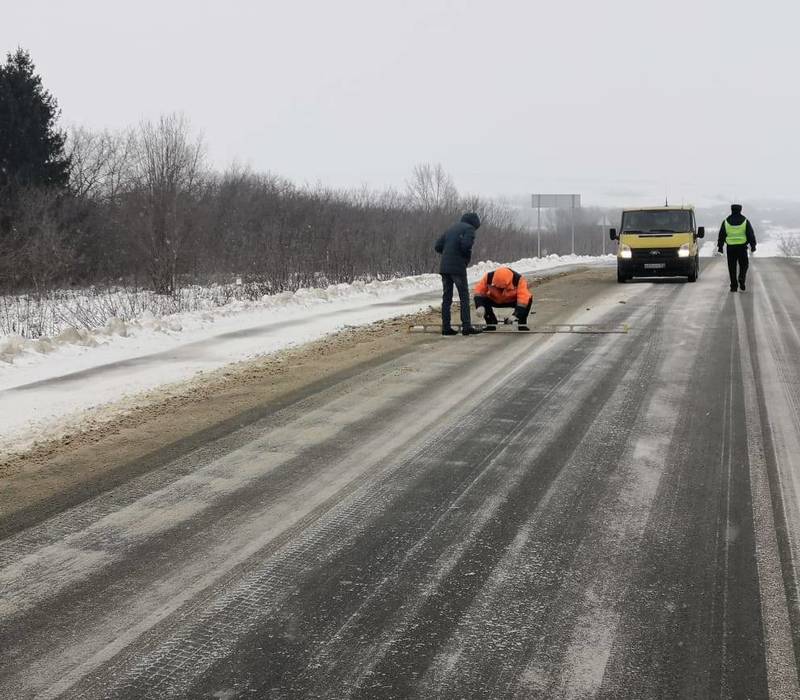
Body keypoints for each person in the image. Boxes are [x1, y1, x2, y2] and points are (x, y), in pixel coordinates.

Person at [434, 213, 483, 335]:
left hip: (444, 267)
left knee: (447, 297)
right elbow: (466, 246)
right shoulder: (469, 229)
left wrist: (449, 252)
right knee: (464, 296)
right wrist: (464, 257)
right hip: (457, 267)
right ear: (474, 223)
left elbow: (437, 246)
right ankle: (466, 326)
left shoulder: (451, 228)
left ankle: (446, 328)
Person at [473, 266, 533, 331]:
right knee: (483, 299)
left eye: (502, 288)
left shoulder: (519, 280)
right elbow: (478, 292)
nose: (500, 289)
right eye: (497, 287)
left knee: (528, 299)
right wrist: (480, 306)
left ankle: (522, 324)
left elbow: (523, 300)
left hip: (511, 300)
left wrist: (516, 315)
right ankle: (491, 323)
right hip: (494, 299)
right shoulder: (488, 277)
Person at [718, 203, 757, 292]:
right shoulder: (745, 221)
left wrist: (720, 247)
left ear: (731, 210)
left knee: (732, 267)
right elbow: (750, 234)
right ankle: (742, 278)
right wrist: (753, 245)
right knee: (744, 265)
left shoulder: (726, 221)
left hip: (730, 248)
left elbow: (721, 235)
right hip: (742, 247)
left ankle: (733, 286)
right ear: (740, 210)